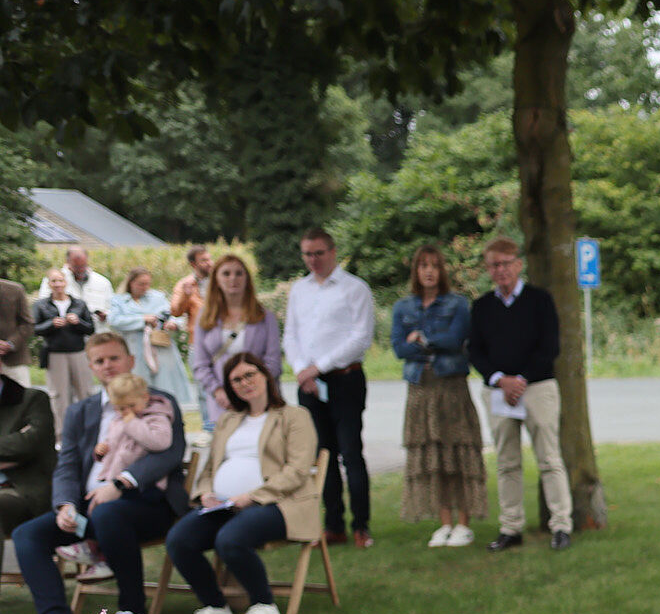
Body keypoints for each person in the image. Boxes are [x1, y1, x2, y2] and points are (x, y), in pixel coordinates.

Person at [13, 333, 189, 614]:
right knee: (27, 534)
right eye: (100, 361)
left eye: (114, 358)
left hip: (146, 504)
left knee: (110, 513)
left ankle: (134, 611)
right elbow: (66, 465)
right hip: (90, 506)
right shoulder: (80, 411)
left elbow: (169, 454)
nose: (108, 366)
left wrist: (120, 485)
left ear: (131, 361)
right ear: (91, 367)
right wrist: (66, 504)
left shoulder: (156, 400)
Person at [166, 351, 319, 614]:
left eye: (250, 374)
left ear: (266, 376)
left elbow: (298, 471)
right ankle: (216, 608)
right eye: (236, 379)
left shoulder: (294, 416)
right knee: (179, 540)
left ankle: (264, 605)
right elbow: (211, 466)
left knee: (231, 539)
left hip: (279, 503)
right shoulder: (228, 420)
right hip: (224, 505)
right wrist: (206, 492)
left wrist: (253, 495)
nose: (244, 382)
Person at [467, 237, 571, 551]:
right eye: (493, 265)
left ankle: (561, 525)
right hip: (499, 392)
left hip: (537, 388)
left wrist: (521, 380)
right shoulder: (483, 306)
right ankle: (511, 528)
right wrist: (501, 380)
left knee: (549, 458)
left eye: (505, 263)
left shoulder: (540, 301)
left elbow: (550, 346)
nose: (500, 271)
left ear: (518, 264)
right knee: (506, 461)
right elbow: (475, 351)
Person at [280, 228, 375, 548]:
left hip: (344, 378)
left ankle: (361, 525)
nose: (313, 260)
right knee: (322, 454)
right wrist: (301, 371)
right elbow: (290, 335)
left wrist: (317, 367)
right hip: (309, 384)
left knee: (350, 452)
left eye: (319, 253)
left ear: (333, 252)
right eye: (307, 254)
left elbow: (360, 337)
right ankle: (333, 525)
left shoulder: (354, 288)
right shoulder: (299, 290)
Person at [391, 244, 486, 545]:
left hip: (451, 386)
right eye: (423, 266)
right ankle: (444, 524)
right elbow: (398, 348)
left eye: (434, 265)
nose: (429, 271)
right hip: (421, 388)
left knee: (457, 452)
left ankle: (463, 524)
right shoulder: (403, 307)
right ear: (416, 271)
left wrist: (421, 339)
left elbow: (456, 339)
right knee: (433, 454)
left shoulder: (457, 304)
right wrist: (427, 344)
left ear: (442, 270)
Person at [190, 252, 281, 427]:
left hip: (261, 402)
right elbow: (200, 364)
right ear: (216, 279)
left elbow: (273, 360)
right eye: (226, 273)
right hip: (223, 403)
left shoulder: (264, 317)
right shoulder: (205, 317)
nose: (233, 278)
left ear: (247, 279)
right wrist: (218, 391)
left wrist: (253, 391)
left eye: (239, 273)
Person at [106, 267, 193, 418]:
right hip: (135, 349)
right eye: (141, 284)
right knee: (138, 385)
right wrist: (142, 319)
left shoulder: (157, 297)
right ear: (131, 283)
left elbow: (174, 315)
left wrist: (172, 323)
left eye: (147, 284)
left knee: (164, 386)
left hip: (160, 348)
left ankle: (167, 414)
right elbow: (114, 321)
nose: (144, 288)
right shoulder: (119, 300)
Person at [30, 269, 97, 427]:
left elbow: (90, 328)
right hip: (55, 354)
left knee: (85, 392)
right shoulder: (40, 305)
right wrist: (51, 324)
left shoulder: (79, 303)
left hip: (78, 352)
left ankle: (89, 430)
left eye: (60, 280)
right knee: (59, 396)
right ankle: (62, 435)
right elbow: (34, 329)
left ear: (66, 282)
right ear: (49, 284)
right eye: (54, 281)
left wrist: (77, 322)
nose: (58, 284)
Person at [0, 354, 57, 532]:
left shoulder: (33, 399)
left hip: (20, 489)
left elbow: (31, 444)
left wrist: (20, 446)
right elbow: (19, 444)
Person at [0, 272, 31, 407]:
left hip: (14, 358)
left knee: (22, 403)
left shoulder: (15, 289)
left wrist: (10, 344)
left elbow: (27, 323)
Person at [165, 246, 214, 330]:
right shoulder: (184, 284)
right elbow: (175, 312)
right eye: (204, 261)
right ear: (193, 264)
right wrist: (185, 295)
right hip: (197, 335)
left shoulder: (220, 282)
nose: (209, 263)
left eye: (209, 259)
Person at [60, 247, 116, 320]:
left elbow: (113, 308)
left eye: (83, 265)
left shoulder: (102, 282)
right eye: (76, 266)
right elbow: (45, 307)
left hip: (98, 329)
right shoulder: (56, 281)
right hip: (68, 329)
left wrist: (107, 314)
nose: (80, 269)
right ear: (67, 262)